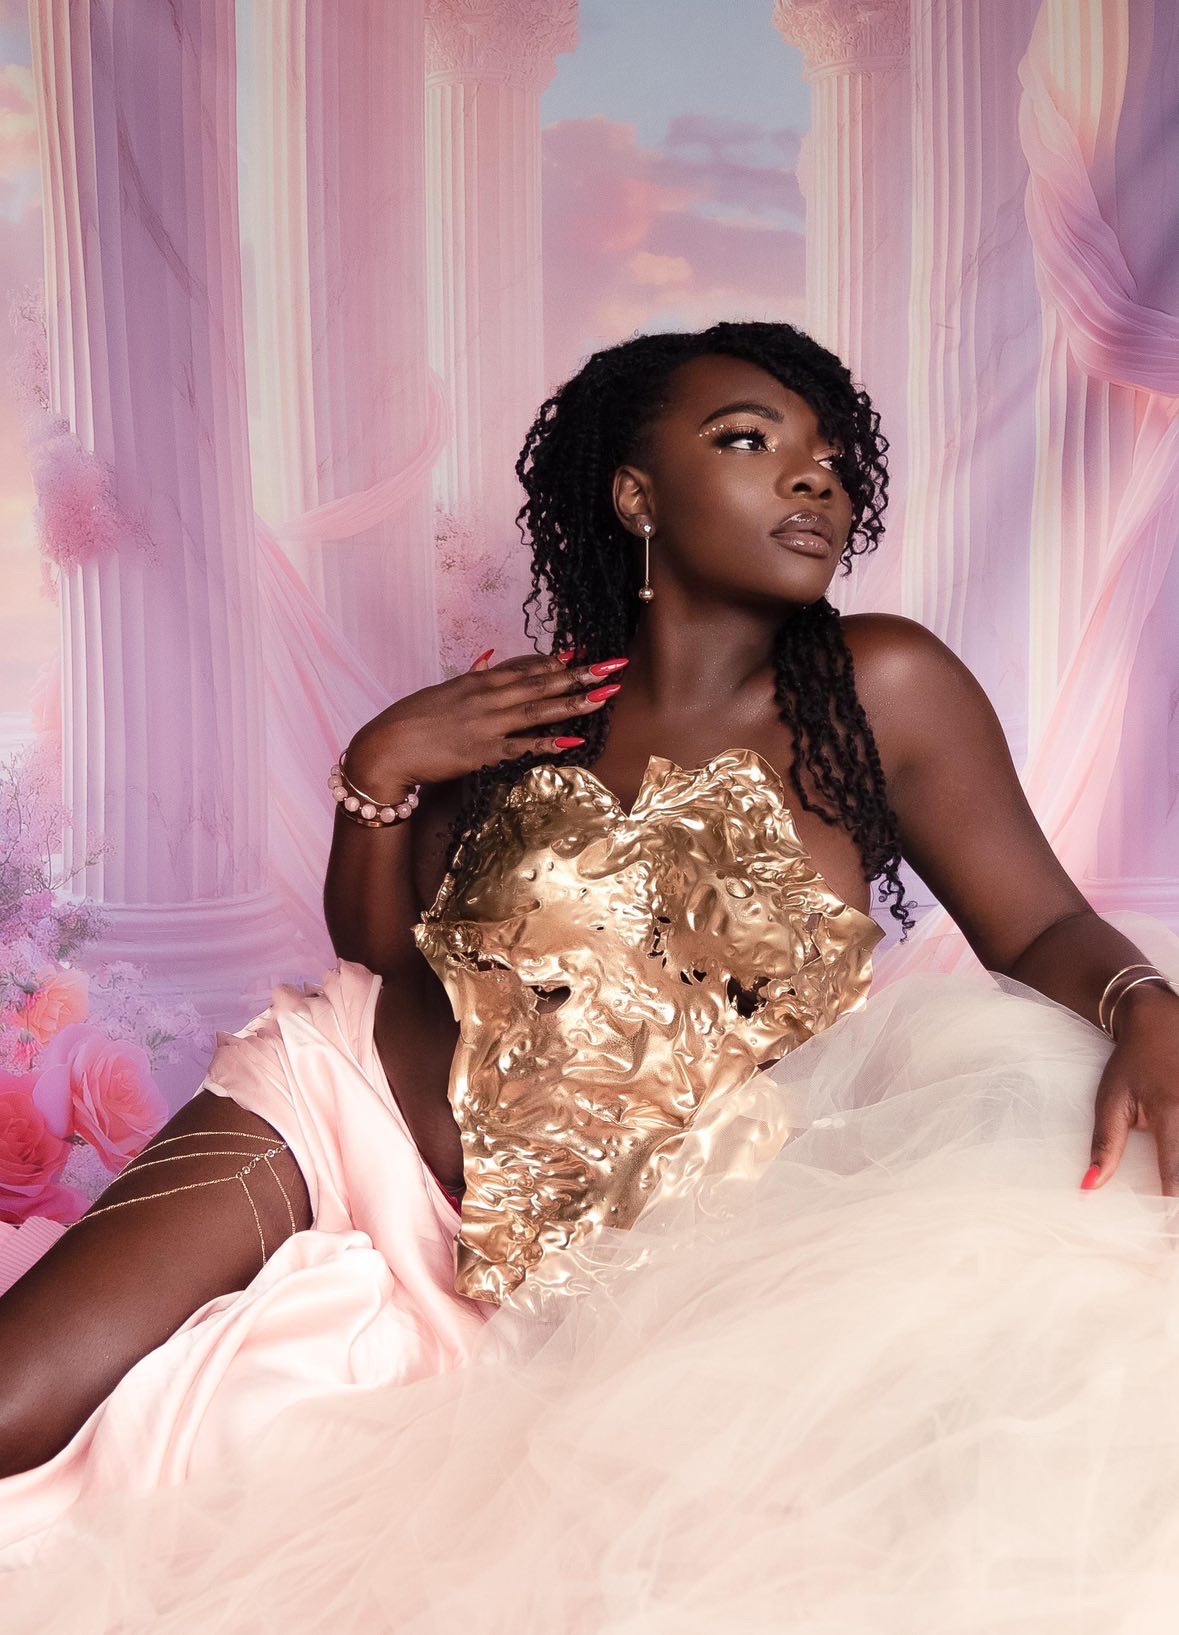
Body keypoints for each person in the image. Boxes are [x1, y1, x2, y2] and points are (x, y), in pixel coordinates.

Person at [2, 321, 1179, 1630]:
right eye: (750, 440)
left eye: (834, 459)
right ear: (635, 495)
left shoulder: (881, 686)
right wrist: (380, 773)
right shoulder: (530, 711)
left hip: (593, 1268)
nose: (815, 477)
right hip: (347, 1115)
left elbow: (1042, 929)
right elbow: (385, 957)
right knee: (11, 1407)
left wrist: (1146, 1004)